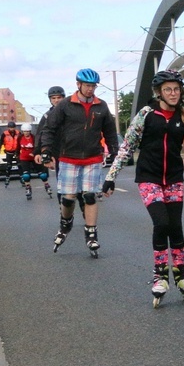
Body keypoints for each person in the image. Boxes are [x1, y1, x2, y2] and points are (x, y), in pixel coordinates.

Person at [102, 70, 184, 308]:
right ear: (159, 93)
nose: (173, 93)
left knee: (175, 226)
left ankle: (182, 274)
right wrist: (111, 177)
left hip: (173, 178)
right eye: (168, 90)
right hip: (149, 177)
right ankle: (160, 275)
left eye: (176, 89)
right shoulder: (146, 114)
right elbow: (127, 146)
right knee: (161, 222)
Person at [40, 68, 118, 258]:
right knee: (68, 198)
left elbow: (109, 131)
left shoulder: (101, 106)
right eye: (87, 86)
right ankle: (66, 222)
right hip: (68, 157)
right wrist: (45, 151)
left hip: (92, 157)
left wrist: (115, 151)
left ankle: (91, 233)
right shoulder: (65, 105)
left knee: (90, 196)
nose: (91, 89)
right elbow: (50, 128)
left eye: (93, 86)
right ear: (78, 85)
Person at [34, 86, 77, 207]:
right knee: (62, 183)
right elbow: (40, 134)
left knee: (79, 184)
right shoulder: (47, 116)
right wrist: (38, 151)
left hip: (74, 150)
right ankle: (63, 208)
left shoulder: (72, 112)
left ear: (64, 98)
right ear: (50, 100)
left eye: (59, 97)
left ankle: (84, 205)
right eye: (53, 98)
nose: (56, 100)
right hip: (57, 152)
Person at [16, 123, 52, 200]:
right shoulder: (20, 138)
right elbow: (17, 147)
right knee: (26, 175)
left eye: (28, 131)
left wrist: (34, 153)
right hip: (24, 158)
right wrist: (17, 156)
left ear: (30, 131)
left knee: (42, 174)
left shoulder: (34, 138)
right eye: (25, 131)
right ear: (22, 131)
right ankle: (28, 188)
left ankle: (47, 185)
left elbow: (38, 147)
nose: (26, 133)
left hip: (34, 157)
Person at [0, 121, 20, 187]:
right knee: (9, 165)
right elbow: (1, 141)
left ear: (15, 127)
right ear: (8, 128)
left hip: (17, 151)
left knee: (19, 164)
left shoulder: (18, 133)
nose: (12, 129)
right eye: (10, 127)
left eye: (13, 127)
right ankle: (7, 177)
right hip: (9, 151)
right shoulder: (5, 134)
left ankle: (22, 177)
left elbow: (21, 141)